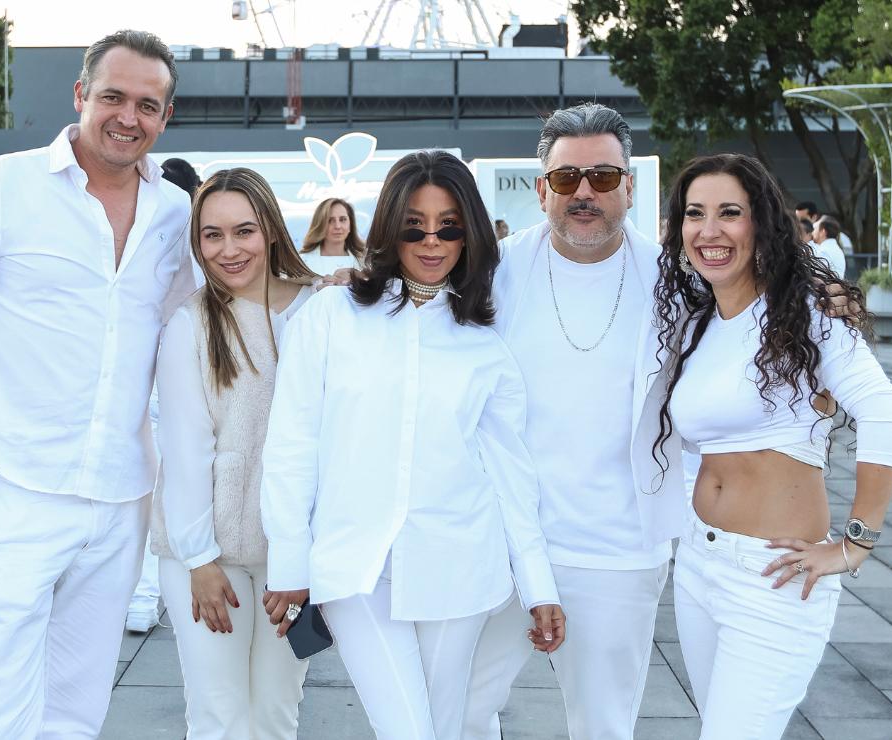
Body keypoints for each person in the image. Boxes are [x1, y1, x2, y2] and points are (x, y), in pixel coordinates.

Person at [0, 30, 191, 739]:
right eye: (114, 97)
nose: (129, 117)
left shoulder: (175, 216)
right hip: (11, 490)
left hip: (122, 496)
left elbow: (206, 326)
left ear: (165, 117)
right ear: (80, 96)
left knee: (76, 710)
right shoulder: (1, 187)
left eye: (148, 105)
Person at [261, 150, 565, 740]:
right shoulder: (329, 316)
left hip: (460, 564)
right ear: (389, 230)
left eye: (448, 227)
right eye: (414, 227)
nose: (432, 242)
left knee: (446, 728)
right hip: (354, 566)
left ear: (469, 233)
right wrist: (288, 561)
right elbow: (292, 442)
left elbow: (510, 473)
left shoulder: (485, 343)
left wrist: (538, 586)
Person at [656, 153, 892, 739]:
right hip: (698, 563)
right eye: (695, 214)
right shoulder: (699, 324)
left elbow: (885, 416)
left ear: (761, 223)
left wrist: (854, 545)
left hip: (771, 573)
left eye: (729, 213)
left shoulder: (807, 316)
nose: (709, 230)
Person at [464, 102, 686, 740]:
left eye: (604, 178)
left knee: (602, 727)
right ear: (542, 189)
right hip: (502, 541)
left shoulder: (676, 282)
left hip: (617, 550)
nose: (584, 193)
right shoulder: (492, 272)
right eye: (567, 179)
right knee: (454, 710)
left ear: (629, 187)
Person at [151, 167, 316, 739]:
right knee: (220, 715)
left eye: (243, 230)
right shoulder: (189, 324)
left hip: (291, 558)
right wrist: (197, 559)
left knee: (276, 712)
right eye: (211, 234)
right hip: (207, 555)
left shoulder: (324, 310)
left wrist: (310, 558)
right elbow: (185, 446)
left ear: (270, 228)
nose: (229, 249)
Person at [127, 155, 204, 634]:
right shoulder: (184, 233)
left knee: (158, 488)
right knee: (168, 485)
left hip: (164, 376)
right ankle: (145, 593)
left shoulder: (190, 235)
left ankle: (145, 593)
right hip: (164, 377)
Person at [298, 197, 366, 275]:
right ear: (320, 225)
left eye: (343, 219)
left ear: (351, 224)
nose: (337, 226)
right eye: (330, 220)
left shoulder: (364, 263)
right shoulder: (302, 262)